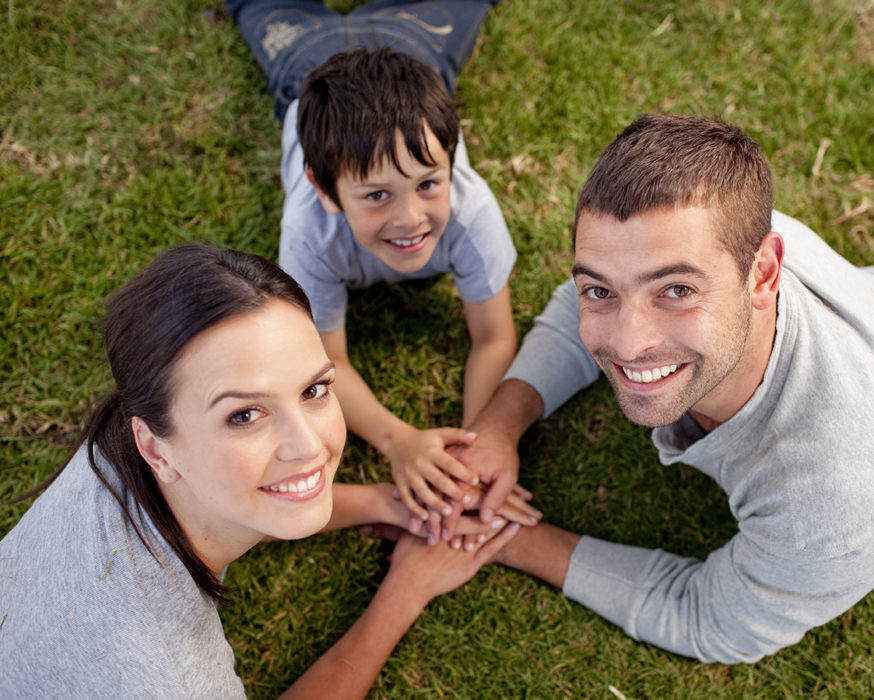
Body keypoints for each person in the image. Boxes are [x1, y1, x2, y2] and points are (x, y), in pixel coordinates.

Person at [0, 244, 519, 697]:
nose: (308, 445)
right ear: (155, 447)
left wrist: (387, 502)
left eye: (314, 390)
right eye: (244, 415)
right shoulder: (165, 676)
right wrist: (406, 590)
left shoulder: (119, 445)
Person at [454, 114, 874, 663]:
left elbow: (711, 621)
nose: (628, 345)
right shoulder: (721, 237)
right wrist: (497, 426)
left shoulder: (829, 508)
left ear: (765, 273)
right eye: (602, 290)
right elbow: (570, 300)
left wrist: (503, 535)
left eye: (675, 290)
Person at [225, 1, 526, 529]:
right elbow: (323, 361)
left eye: (428, 183)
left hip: (411, 46)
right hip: (307, 66)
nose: (410, 218)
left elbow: (495, 338)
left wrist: (474, 449)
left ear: (450, 163)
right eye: (377, 195)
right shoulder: (308, 234)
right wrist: (399, 441)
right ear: (325, 192)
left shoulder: (471, 213)